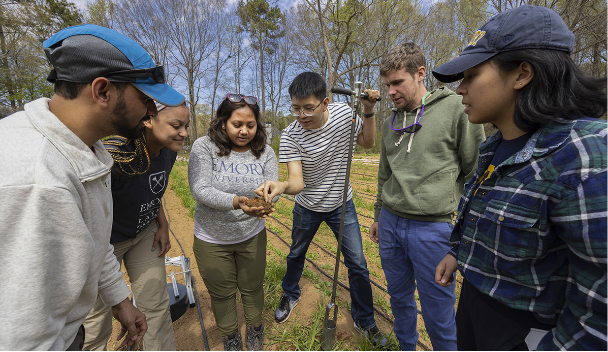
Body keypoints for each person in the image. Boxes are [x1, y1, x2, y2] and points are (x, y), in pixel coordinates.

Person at [432, 5, 608, 350]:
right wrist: (458, 252)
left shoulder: (586, 157)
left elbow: (599, 315)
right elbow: (484, 220)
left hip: (528, 332)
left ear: (522, 73)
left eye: (471, 76)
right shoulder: (495, 144)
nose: (460, 90)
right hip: (475, 308)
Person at [0, 24, 184, 349]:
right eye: (145, 99)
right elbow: (23, 336)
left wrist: (119, 299)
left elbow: (93, 240)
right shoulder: (39, 182)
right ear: (102, 91)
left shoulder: (88, 150)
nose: (150, 112)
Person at [368, 42, 485, 351]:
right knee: (399, 299)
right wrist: (379, 215)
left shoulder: (456, 109)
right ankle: (407, 347)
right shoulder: (389, 122)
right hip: (391, 224)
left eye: (397, 83)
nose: (390, 91)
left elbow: (475, 174)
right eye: (387, 85)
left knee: (439, 312)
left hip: (433, 230)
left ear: (420, 74)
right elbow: (384, 175)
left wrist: (462, 233)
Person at [256, 72, 387, 346]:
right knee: (295, 254)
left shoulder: (344, 114)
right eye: (295, 108)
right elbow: (296, 182)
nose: (301, 115)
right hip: (308, 206)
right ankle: (290, 293)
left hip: (342, 204)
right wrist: (281, 186)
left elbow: (367, 142)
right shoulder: (291, 135)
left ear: (325, 102)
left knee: (358, 265)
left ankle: (365, 320)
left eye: (308, 108)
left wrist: (369, 110)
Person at [82, 102, 189, 350]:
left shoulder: (168, 151)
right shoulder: (113, 158)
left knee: (156, 307)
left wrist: (162, 224)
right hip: (105, 243)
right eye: (176, 125)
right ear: (148, 120)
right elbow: (89, 219)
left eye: (186, 126)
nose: (183, 132)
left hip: (144, 235)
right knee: (96, 319)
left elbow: (152, 192)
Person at [189, 94, 278, 352]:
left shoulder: (265, 152)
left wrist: (266, 200)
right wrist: (238, 202)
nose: (244, 131)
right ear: (223, 123)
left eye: (250, 125)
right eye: (237, 124)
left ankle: (254, 330)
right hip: (212, 236)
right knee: (222, 293)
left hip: (251, 234)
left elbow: (272, 187)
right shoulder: (204, 147)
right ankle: (230, 337)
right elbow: (200, 189)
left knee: (252, 287)